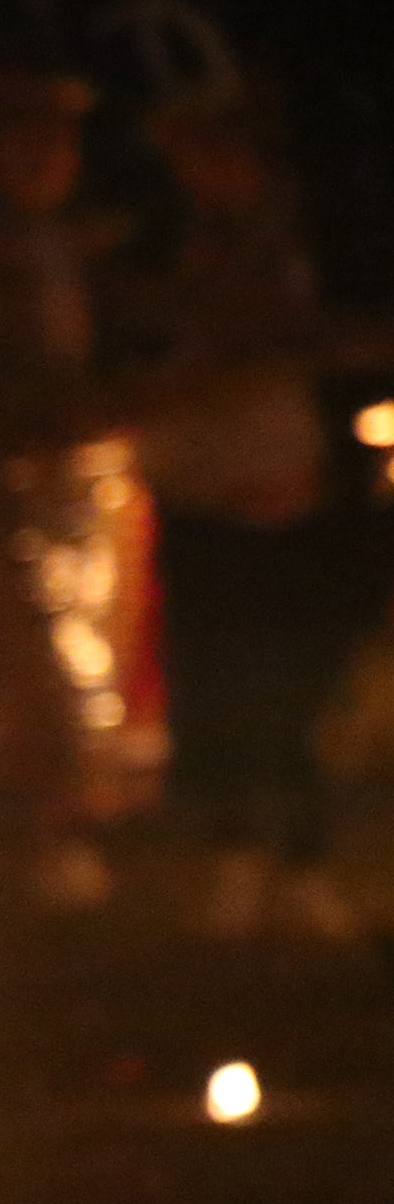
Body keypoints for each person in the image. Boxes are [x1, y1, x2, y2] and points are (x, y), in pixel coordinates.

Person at [117, 84, 373, 939]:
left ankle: (299, 863)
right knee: (217, 687)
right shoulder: (160, 246)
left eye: (230, 154)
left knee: (299, 689)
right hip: (199, 500)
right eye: (199, 155)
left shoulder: (308, 244)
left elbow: (333, 344)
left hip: (294, 498)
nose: (216, 172)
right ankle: (232, 861)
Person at [0, 68, 163, 908]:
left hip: (97, 473)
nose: (43, 159)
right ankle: (46, 828)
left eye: (58, 143)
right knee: (33, 648)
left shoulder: (100, 250)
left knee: (103, 649)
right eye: (24, 141)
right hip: (15, 471)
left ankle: (92, 821)